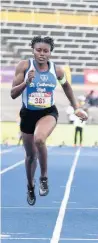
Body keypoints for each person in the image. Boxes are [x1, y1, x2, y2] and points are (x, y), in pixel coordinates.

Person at [10, 36, 87, 206]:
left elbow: (67, 86)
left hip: (48, 112)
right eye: (39, 50)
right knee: (30, 156)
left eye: (46, 51)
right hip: (28, 114)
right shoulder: (24, 66)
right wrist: (26, 82)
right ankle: (30, 186)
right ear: (33, 50)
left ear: (50, 52)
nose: (42, 54)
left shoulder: (57, 70)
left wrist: (76, 108)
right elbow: (13, 94)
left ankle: (44, 176)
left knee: (39, 139)